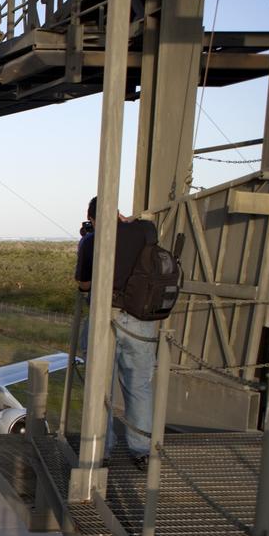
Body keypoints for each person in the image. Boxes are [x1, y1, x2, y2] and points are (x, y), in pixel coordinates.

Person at [74, 196, 159, 471]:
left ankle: (101, 449)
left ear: (94, 218)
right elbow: (148, 227)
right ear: (119, 213)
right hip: (141, 319)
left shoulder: (91, 241)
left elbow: (84, 285)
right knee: (140, 387)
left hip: (105, 317)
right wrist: (130, 222)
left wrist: (87, 241)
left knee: (101, 388)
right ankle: (142, 451)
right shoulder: (145, 232)